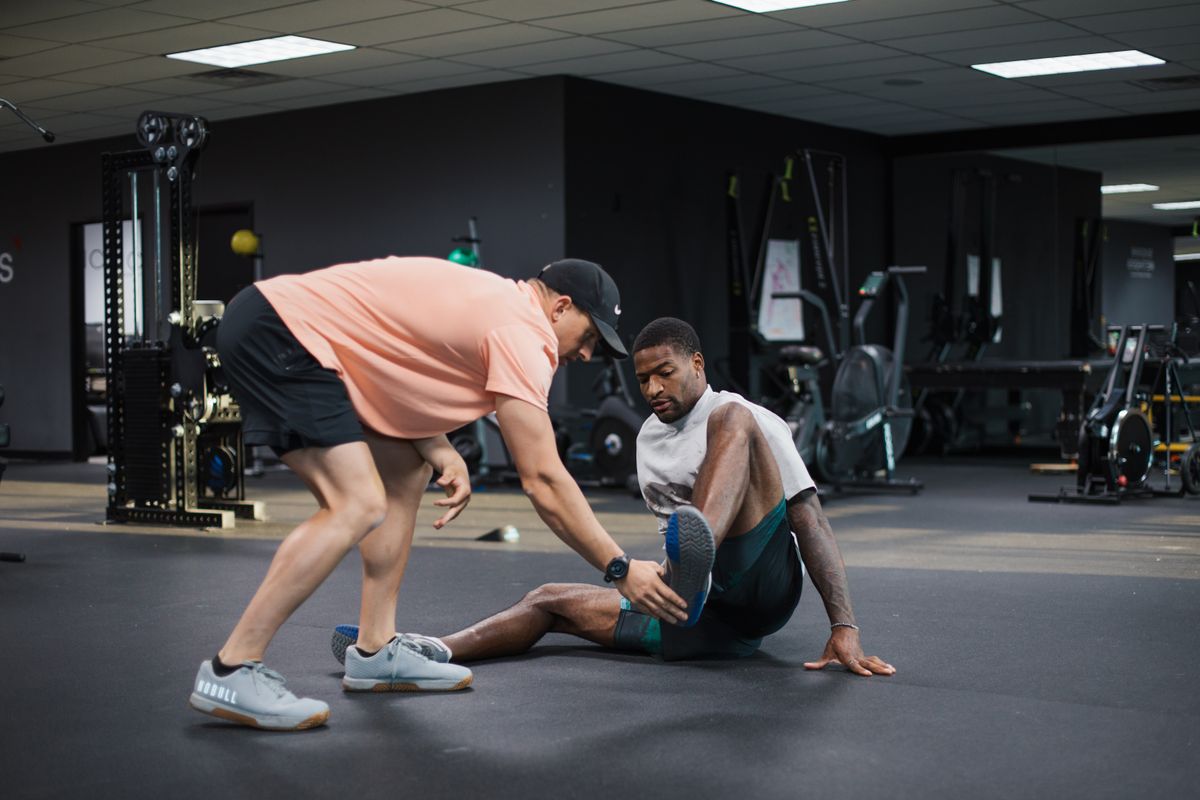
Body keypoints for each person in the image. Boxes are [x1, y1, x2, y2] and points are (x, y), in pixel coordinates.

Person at [189, 257, 689, 732]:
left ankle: (374, 651)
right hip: (281, 332)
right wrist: (619, 568)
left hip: (285, 328)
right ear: (560, 307)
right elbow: (542, 477)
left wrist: (440, 448)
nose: (584, 354)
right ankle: (233, 668)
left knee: (405, 470)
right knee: (356, 502)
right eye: (588, 337)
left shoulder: (495, 304)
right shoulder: (523, 331)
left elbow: (392, 362)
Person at [330, 317, 895, 675]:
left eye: (665, 374)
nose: (652, 390)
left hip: (760, 584)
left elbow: (811, 522)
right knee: (548, 597)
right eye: (643, 379)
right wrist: (656, 583)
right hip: (701, 622)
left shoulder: (746, 419)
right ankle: (416, 653)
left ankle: (693, 572)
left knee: (733, 421)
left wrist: (844, 625)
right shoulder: (648, 439)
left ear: (697, 364)